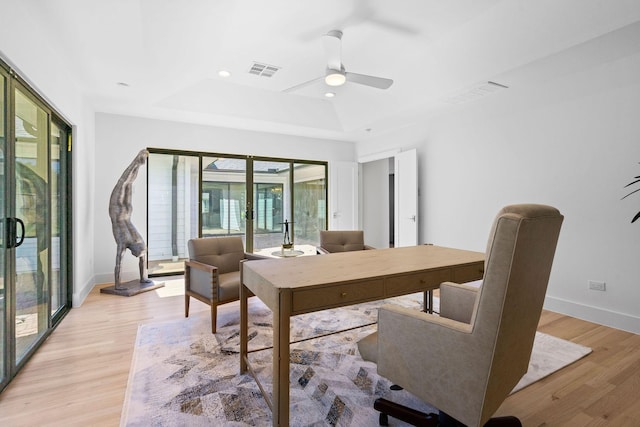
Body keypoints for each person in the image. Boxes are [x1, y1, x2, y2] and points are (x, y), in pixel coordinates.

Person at [109, 149, 153, 289]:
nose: (140, 256)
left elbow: (122, 262)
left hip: (120, 212)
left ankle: (138, 163)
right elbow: (119, 263)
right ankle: (137, 162)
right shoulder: (132, 241)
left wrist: (143, 278)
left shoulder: (131, 242)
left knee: (128, 184)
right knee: (124, 183)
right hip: (122, 212)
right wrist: (117, 286)